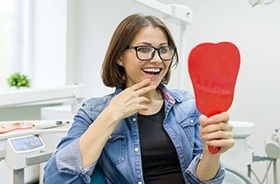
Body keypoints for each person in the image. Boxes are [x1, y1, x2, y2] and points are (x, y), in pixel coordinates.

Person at [43, 13, 235, 184]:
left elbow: (203, 181)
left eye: (164, 49)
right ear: (119, 57)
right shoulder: (94, 111)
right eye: (144, 49)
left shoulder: (187, 105)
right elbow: (55, 179)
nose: (157, 59)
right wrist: (112, 114)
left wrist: (211, 154)